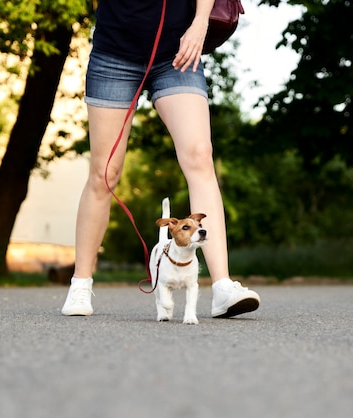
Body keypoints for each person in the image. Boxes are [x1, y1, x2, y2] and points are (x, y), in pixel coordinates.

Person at [61, 0, 260, 318]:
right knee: (105, 173)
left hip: (179, 53)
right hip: (114, 55)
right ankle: (80, 284)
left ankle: (222, 286)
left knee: (199, 155)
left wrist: (199, 24)